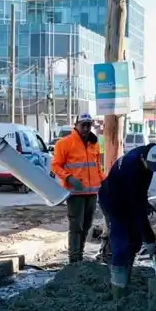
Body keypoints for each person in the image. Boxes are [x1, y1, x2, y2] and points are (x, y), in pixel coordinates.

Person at [98, 143, 156, 292]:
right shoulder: (130, 168)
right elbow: (137, 210)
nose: (152, 170)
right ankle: (118, 288)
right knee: (121, 243)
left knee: (134, 242)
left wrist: (144, 202)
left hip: (127, 198)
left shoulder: (147, 157)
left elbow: (140, 192)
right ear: (143, 159)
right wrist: (150, 239)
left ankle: (126, 277)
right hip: (112, 202)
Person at [52, 113, 104, 263]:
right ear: (76, 126)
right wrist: (69, 178)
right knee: (76, 227)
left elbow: (97, 167)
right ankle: (74, 259)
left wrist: (104, 182)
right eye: (83, 125)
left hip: (92, 192)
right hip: (75, 193)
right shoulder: (64, 144)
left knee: (87, 226)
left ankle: (79, 255)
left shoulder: (94, 143)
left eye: (89, 125)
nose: (86, 128)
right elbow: (55, 165)